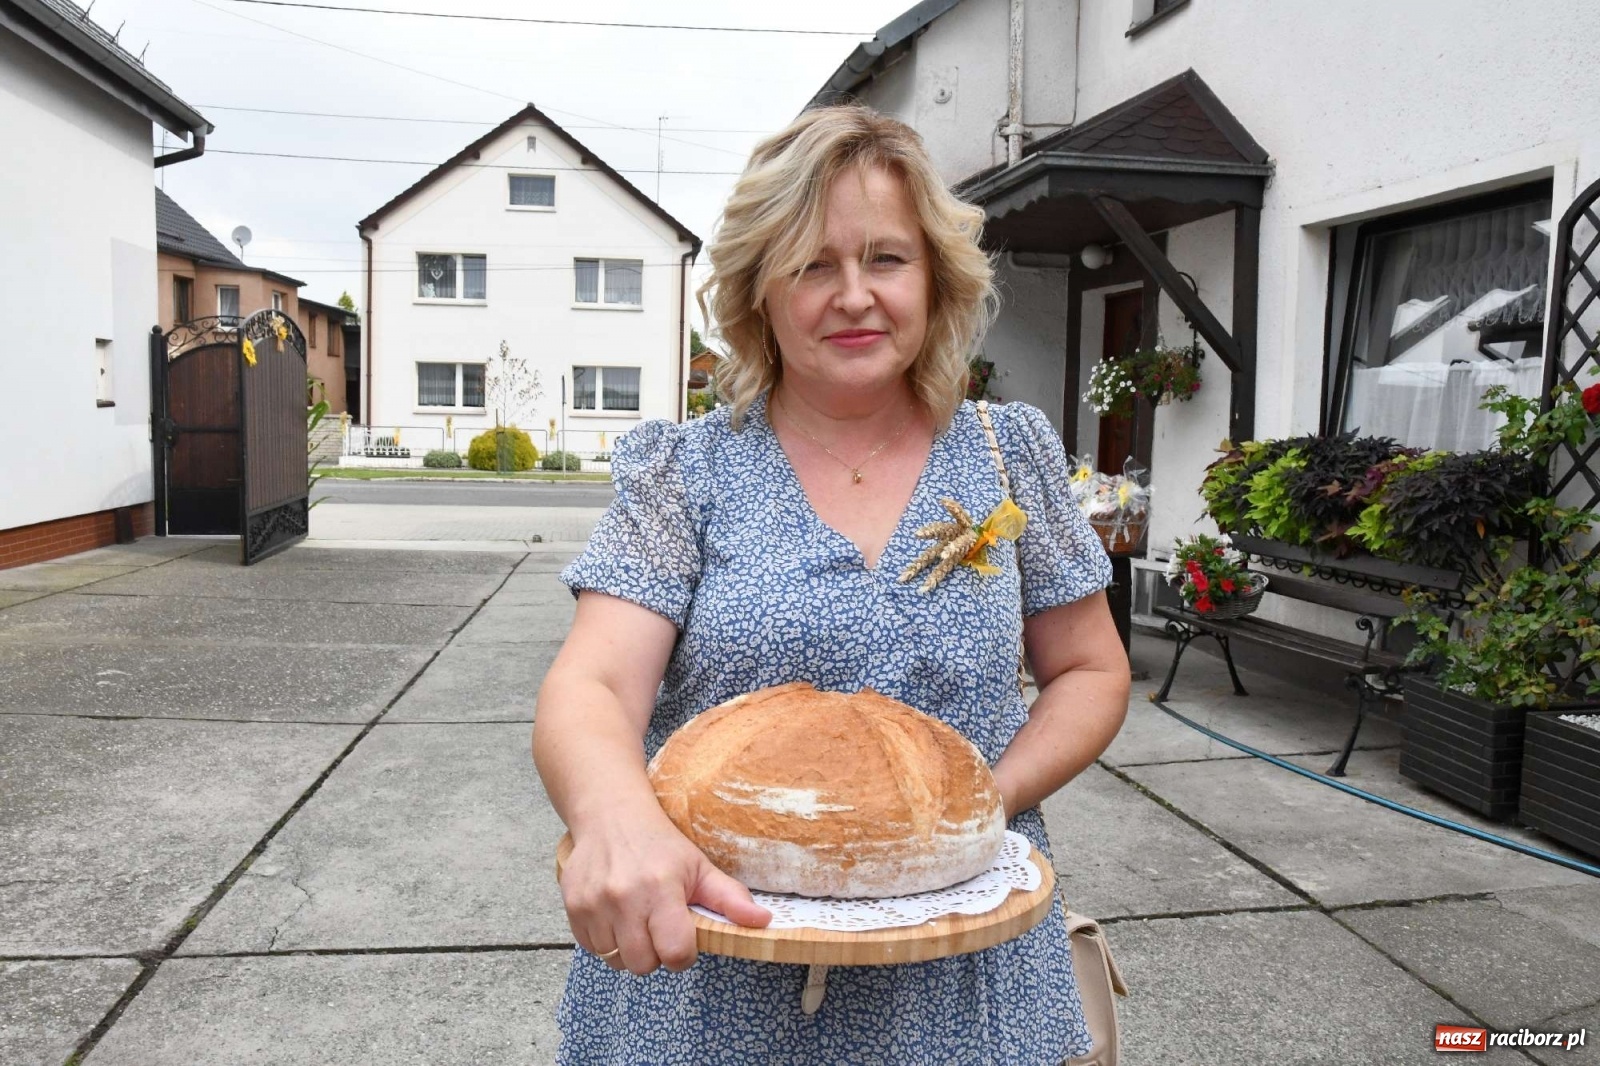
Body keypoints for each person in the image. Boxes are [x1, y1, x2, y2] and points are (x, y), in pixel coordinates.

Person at [533, 104, 1130, 1066]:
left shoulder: (1008, 455)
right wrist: (613, 819)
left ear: (935, 278)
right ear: (758, 291)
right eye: (812, 264)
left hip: (956, 978)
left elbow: (1092, 671)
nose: (853, 295)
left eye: (886, 259)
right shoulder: (685, 473)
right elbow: (592, 685)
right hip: (712, 978)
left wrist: (975, 809)